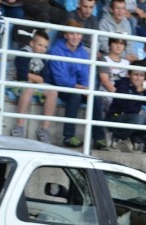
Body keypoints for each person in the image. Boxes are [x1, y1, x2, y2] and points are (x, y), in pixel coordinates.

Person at [49, 21, 107, 149]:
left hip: (77, 87)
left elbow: (85, 76)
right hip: (61, 87)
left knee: (94, 97)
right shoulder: (56, 50)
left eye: (78, 33)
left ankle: (99, 138)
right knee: (75, 96)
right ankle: (68, 136)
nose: (75, 37)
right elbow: (59, 79)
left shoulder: (83, 53)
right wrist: (77, 87)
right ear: (65, 35)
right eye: (72, 33)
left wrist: (85, 87)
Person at [9, 30, 58, 143]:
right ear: (32, 43)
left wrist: (31, 77)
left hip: (34, 84)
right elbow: (21, 76)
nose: (42, 49)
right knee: (28, 89)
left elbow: (44, 78)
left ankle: (44, 129)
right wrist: (34, 78)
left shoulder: (44, 58)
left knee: (53, 92)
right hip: (16, 83)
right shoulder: (24, 52)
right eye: (39, 45)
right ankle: (19, 126)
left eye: (45, 47)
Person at [105, 67, 146, 153]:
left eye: (141, 75)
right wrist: (138, 91)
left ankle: (136, 139)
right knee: (138, 118)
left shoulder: (144, 86)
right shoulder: (123, 83)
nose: (138, 78)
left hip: (134, 120)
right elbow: (126, 106)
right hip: (116, 117)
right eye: (135, 74)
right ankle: (116, 137)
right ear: (129, 75)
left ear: (144, 77)